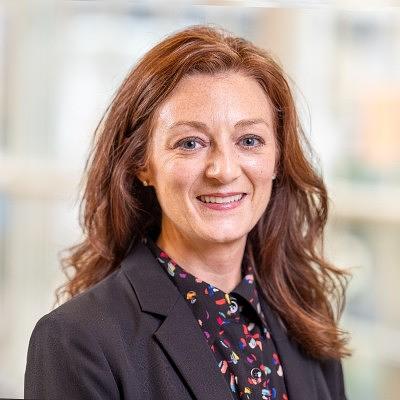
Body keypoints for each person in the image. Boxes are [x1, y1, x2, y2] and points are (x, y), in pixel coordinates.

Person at [24, 25, 352, 400]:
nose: (223, 170)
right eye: (190, 143)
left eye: (249, 140)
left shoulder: (305, 316)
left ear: (277, 158)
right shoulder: (77, 340)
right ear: (142, 164)